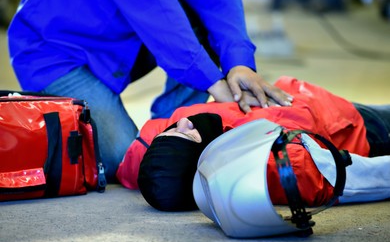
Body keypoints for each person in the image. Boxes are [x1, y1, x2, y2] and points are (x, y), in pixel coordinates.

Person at [7, 0, 292, 182]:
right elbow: (159, 16)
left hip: (121, 34)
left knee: (154, 157)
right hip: (54, 52)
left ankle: (169, 129)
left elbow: (218, 3)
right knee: (126, 160)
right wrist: (216, 85)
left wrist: (239, 65)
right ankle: (161, 140)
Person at [116, 76, 390, 211]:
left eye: (171, 131)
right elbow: (342, 176)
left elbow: (135, 161)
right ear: (204, 160)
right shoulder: (263, 164)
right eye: (187, 134)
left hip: (320, 101)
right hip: (358, 129)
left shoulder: (154, 159)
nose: (185, 122)